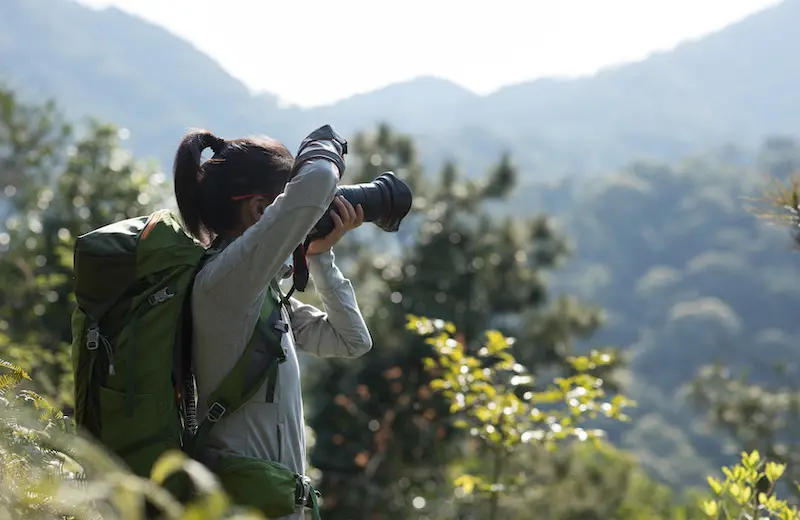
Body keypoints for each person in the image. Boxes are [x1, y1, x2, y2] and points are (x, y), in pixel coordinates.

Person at [172, 127, 373, 519]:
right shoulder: (224, 283)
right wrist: (324, 143)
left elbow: (351, 340)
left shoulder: (255, 295)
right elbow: (317, 180)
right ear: (263, 211)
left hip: (275, 504)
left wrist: (318, 255)